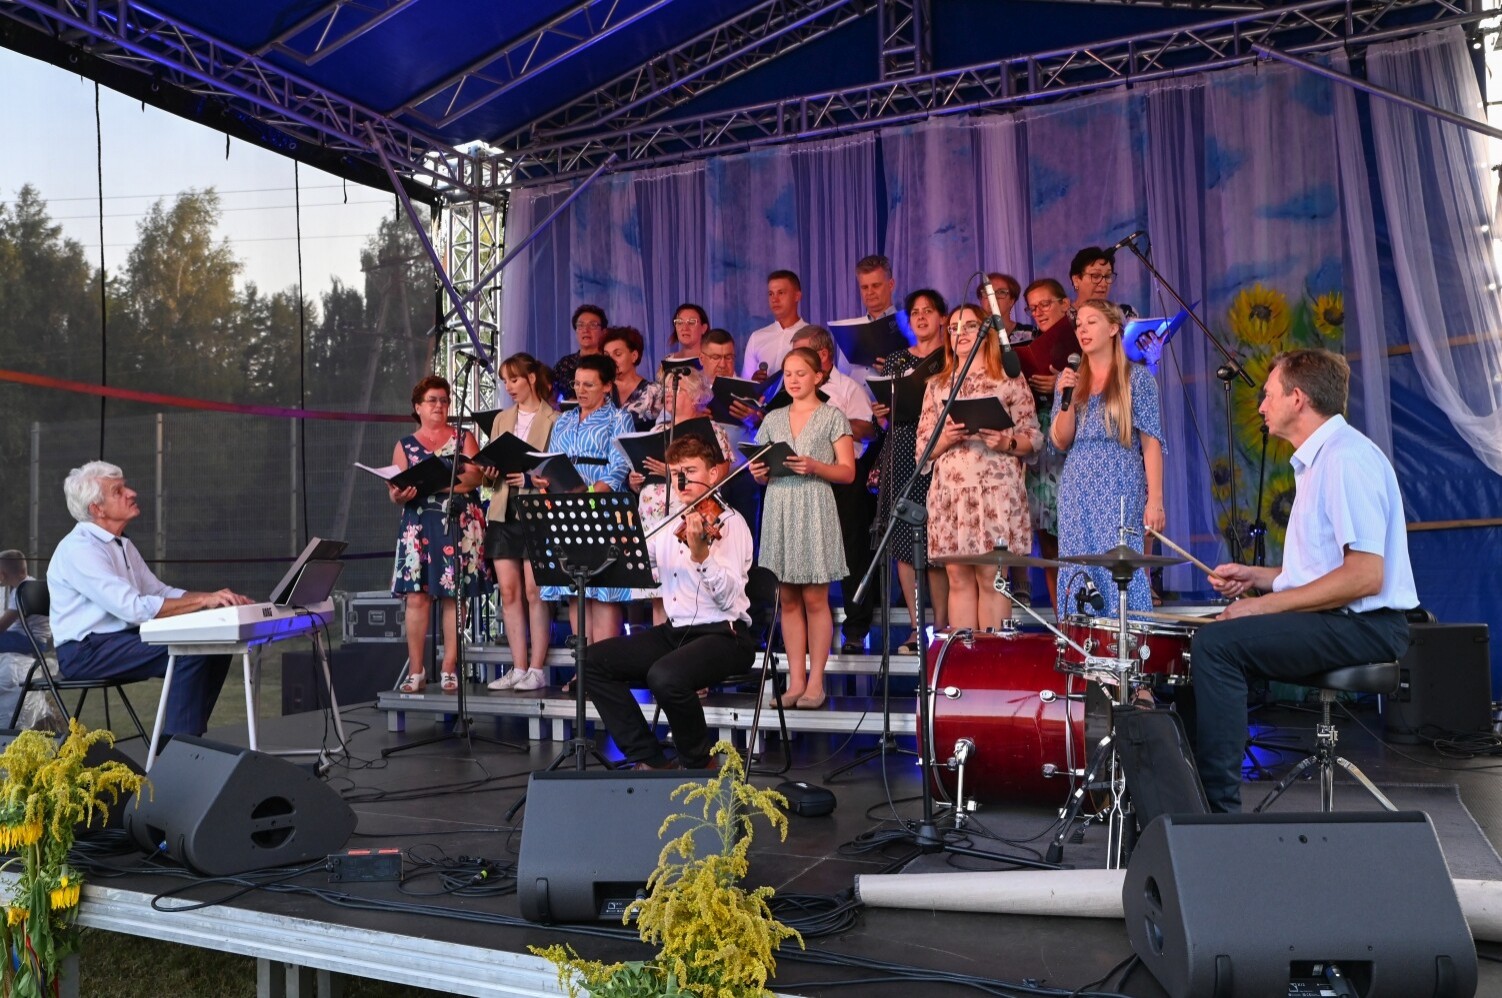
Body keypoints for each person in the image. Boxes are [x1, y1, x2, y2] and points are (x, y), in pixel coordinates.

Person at [1190, 349, 1416, 813]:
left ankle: (1218, 814)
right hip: (1341, 619)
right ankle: (1193, 796)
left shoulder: (1345, 459)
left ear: (1297, 398)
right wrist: (1258, 578)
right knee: (1210, 636)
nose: (1260, 406)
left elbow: (1365, 576)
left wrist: (1260, 605)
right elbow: (1323, 572)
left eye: (1268, 395)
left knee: (1217, 646)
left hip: (1367, 626)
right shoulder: (1322, 460)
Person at [583, 435, 755, 771]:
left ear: (714, 474)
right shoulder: (667, 523)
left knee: (664, 676)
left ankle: (699, 762)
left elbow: (727, 598)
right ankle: (649, 758)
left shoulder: (730, 523)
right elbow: (639, 562)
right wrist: (617, 546)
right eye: (675, 473)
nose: (681, 481)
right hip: (676, 631)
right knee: (590, 661)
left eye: (690, 471)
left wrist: (702, 557)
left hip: (725, 634)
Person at [47, 462, 251, 737]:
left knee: (217, 645)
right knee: (191, 650)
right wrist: (204, 602)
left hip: (119, 640)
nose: (131, 493)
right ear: (97, 509)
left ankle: (188, 740)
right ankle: (177, 747)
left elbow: (159, 592)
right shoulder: (79, 549)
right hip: (85, 652)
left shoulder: (121, 543)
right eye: (118, 491)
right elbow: (134, 609)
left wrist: (216, 599)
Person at [916, 303, 1040, 631]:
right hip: (951, 491)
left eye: (970, 326)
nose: (961, 333)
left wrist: (1006, 442)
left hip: (995, 490)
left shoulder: (1008, 378)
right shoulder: (938, 384)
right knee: (958, 578)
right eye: (954, 328)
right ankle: (966, 657)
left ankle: (993, 658)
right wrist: (945, 438)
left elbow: (1033, 437)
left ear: (986, 333)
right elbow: (922, 451)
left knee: (991, 577)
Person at [750, 347, 855, 710]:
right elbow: (763, 470)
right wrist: (759, 473)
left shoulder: (832, 416)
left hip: (814, 505)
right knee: (788, 599)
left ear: (818, 376)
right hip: (779, 505)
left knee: (814, 598)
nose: (793, 380)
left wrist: (815, 466)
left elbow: (848, 472)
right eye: (788, 374)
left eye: (801, 373)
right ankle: (795, 682)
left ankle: (816, 682)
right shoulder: (773, 418)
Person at [1050, 299, 1164, 617]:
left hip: (1120, 480)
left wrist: (1155, 499)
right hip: (1077, 484)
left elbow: (1151, 442)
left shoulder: (1136, 379)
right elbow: (1060, 440)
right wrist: (1066, 396)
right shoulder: (1070, 378)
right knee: (1079, 564)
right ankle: (1081, 638)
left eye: (1092, 322)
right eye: (1079, 324)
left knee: (1120, 562)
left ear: (1113, 328)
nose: (1082, 330)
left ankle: (1128, 635)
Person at [390, 375, 490, 694]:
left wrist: (432, 485)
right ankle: (416, 670)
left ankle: (449, 666)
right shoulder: (404, 445)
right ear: (417, 407)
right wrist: (401, 494)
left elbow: (475, 478)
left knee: (453, 595)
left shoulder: (463, 437)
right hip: (418, 525)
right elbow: (395, 491)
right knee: (416, 597)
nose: (439, 405)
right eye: (432, 400)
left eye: (444, 400)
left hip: (457, 521)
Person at [534, 354, 635, 649]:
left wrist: (590, 495)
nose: (580, 390)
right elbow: (551, 459)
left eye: (588, 385)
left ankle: (603, 665)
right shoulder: (564, 419)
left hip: (602, 509)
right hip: (566, 510)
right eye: (577, 384)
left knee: (603, 590)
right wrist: (543, 479)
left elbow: (619, 467)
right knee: (576, 589)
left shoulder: (619, 418)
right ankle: (583, 665)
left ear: (607, 386)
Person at [869, 290, 950, 651]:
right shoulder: (897, 360)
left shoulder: (950, 357)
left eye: (928, 311)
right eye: (914, 312)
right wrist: (881, 415)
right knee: (903, 539)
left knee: (937, 541)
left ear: (942, 318)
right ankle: (918, 626)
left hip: (939, 449)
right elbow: (887, 416)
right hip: (901, 446)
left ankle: (943, 627)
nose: (921, 318)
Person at [790, 325, 877, 653]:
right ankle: (803, 631)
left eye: (802, 352)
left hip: (843, 480)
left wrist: (830, 419)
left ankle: (855, 629)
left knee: (852, 554)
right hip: (803, 482)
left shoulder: (847, 387)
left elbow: (868, 429)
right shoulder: (791, 390)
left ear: (823, 354)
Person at [482, 353, 560, 693]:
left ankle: (537, 667)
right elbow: (490, 471)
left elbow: (556, 470)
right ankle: (517, 666)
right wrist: (489, 471)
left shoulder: (555, 418)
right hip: (503, 509)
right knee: (509, 591)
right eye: (505, 381)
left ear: (531, 377)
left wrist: (530, 478)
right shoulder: (502, 419)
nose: (510, 387)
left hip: (537, 511)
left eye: (514, 379)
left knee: (534, 590)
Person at [1018, 279, 1080, 608]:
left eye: (1045, 304)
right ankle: (1061, 619)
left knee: (1075, 533)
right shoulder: (1031, 344)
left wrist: (1060, 383)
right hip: (1041, 445)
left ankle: (1086, 618)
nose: (1039, 312)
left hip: (1075, 443)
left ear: (1065, 304)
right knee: (1047, 537)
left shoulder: (1082, 339)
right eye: (1032, 308)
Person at [741, 270, 809, 382]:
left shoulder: (812, 335)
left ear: (797, 296)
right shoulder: (757, 338)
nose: (774, 299)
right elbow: (745, 382)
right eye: (771, 294)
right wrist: (754, 382)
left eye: (781, 293)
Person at [602, 325, 665, 431]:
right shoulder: (600, 390)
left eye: (618, 354)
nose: (611, 360)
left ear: (634, 356)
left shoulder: (655, 392)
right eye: (607, 355)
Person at [552, 304, 607, 403]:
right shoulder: (565, 364)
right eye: (581, 325)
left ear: (603, 332)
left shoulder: (609, 363)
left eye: (593, 325)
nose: (586, 330)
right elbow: (551, 398)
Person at [0, 550, 49, 654]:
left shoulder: (21, 592)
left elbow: (2, 626)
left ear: (2, 575)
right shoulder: (30, 584)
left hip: (27, 640)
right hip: (34, 639)